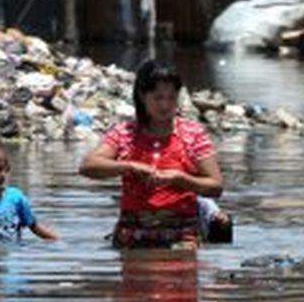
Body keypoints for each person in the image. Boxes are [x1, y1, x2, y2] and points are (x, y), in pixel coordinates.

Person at [79, 59, 226, 250]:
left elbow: (216, 186)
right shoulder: (125, 133)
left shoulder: (193, 134)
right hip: (131, 235)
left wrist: (180, 179)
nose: (165, 106)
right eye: (158, 98)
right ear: (142, 96)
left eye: (171, 98)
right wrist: (130, 166)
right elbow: (88, 166)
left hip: (182, 236)